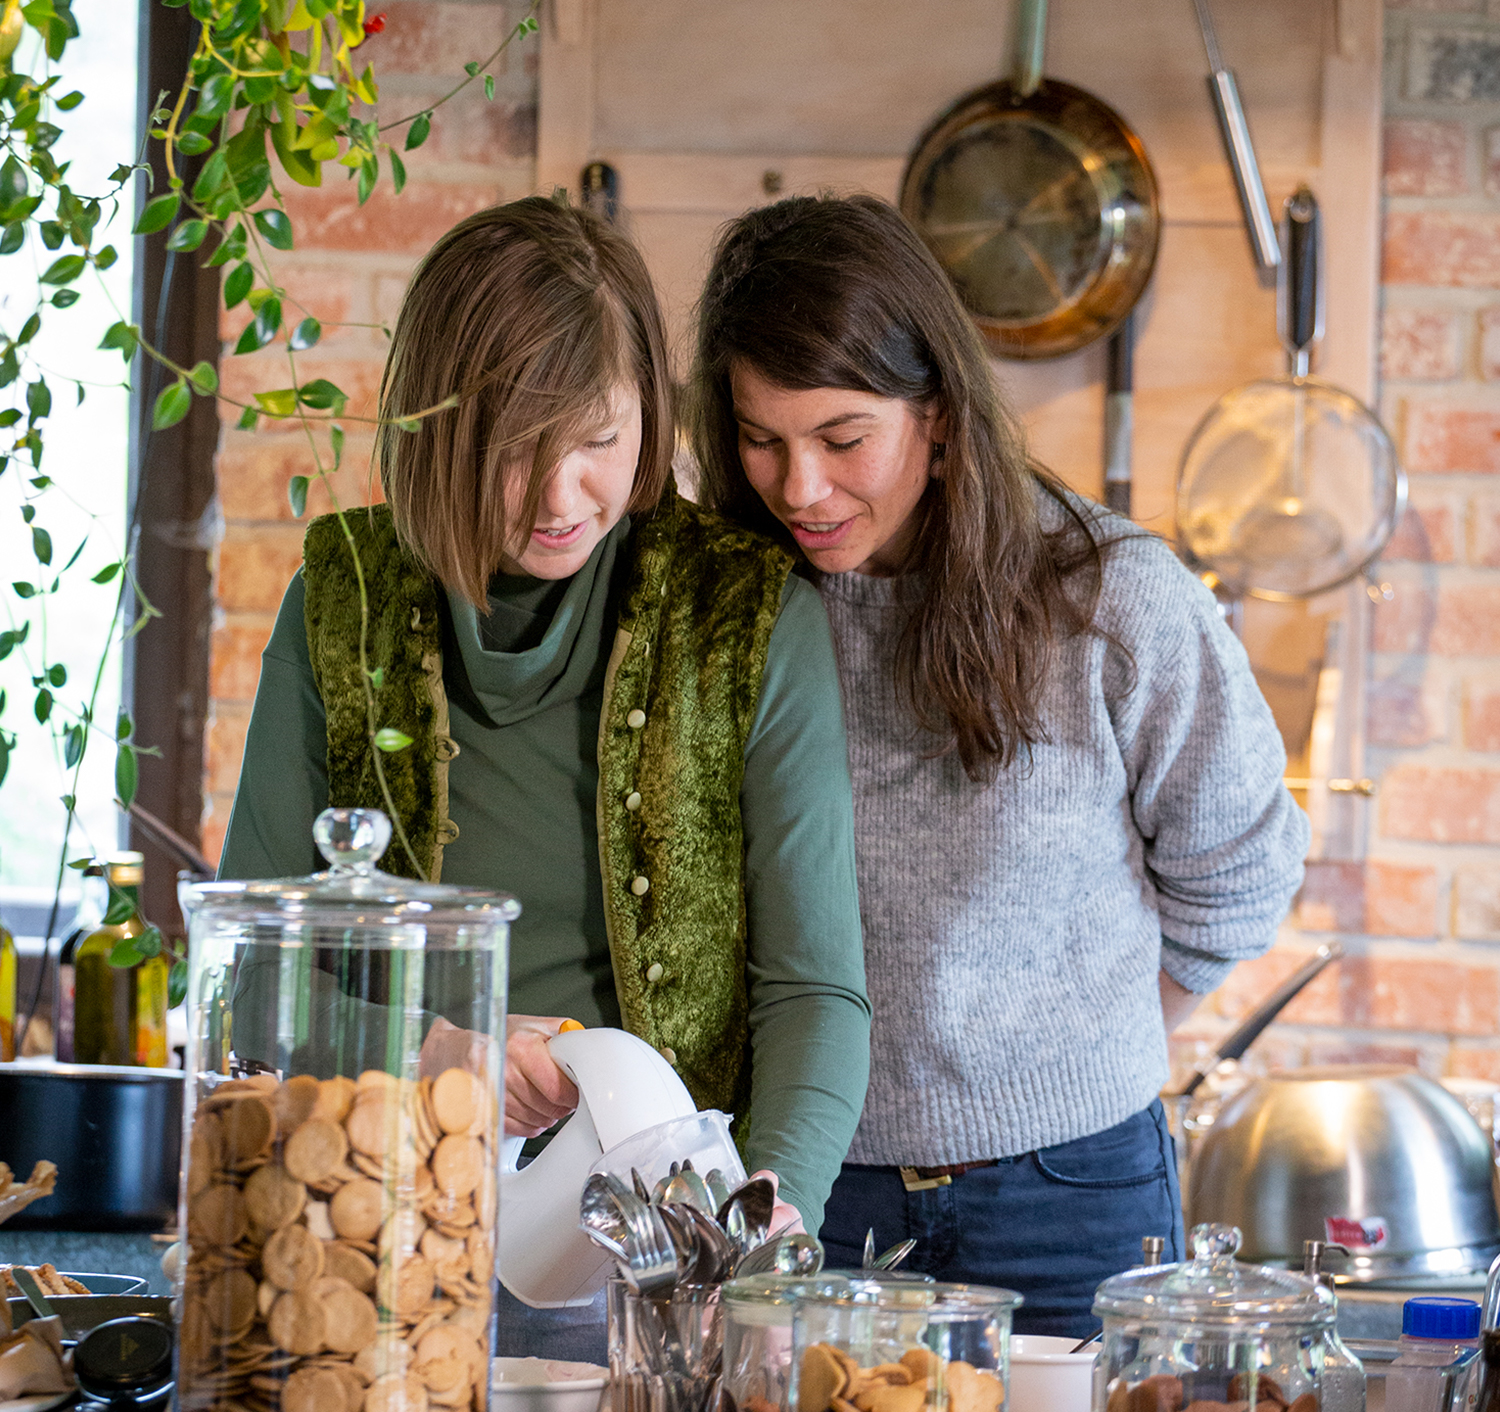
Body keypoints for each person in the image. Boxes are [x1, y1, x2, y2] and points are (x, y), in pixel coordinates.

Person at [219, 196, 871, 1357]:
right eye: (516, 449)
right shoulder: (345, 598)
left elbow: (814, 995)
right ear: (435, 429)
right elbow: (251, 995)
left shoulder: (744, 614)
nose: (562, 497)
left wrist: (763, 1245)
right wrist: (438, 1047)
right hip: (372, 1241)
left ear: (649, 417)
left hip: (659, 1274)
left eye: (600, 441)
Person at [686, 194, 1310, 1337]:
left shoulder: (1109, 596)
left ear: (937, 416)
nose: (800, 490)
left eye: (841, 439)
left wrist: (1082, 1043)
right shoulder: (722, 604)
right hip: (807, 1196)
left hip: (1074, 1193)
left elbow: (1243, 871)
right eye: (760, 438)